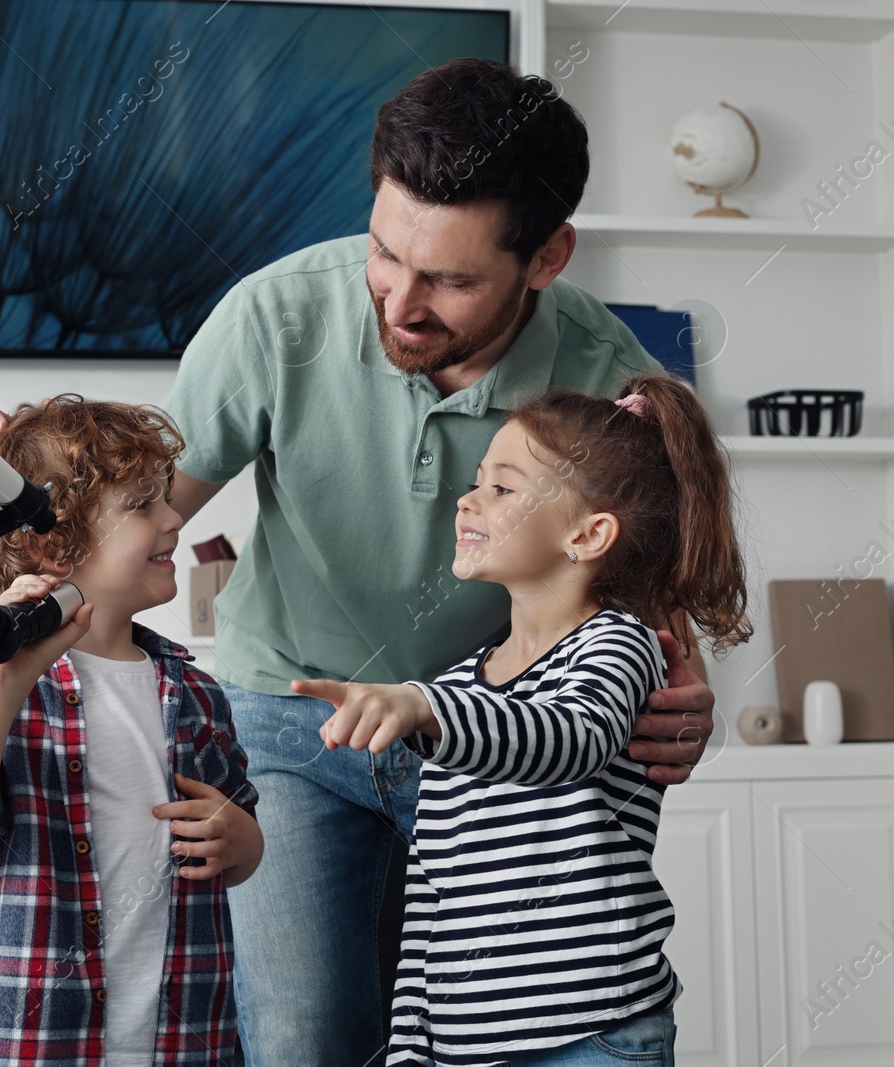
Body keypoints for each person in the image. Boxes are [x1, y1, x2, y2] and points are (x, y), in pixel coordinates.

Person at [0, 58, 719, 1065]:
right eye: (383, 252)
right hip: (286, 718)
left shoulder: (605, 373)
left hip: (487, 739)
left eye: (448, 279)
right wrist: (24, 506)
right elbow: (131, 525)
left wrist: (680, 680)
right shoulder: (275, 316)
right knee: (304, 1033)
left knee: (497, 1028)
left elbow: (649, 601)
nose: (398, 303)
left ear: (546, 257)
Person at [300, 374, 752, 1066]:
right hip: (462, 1046)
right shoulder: (458, 688)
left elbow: (568, 739)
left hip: (596, 1033)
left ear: (587, 533)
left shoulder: (618, 645)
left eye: (502, 487)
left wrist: (424, 705)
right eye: (478, 481)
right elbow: (433, 887)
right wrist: (411, 1045)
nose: (468, 499)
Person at [0, 396, 263, 1067]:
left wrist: (241, 839)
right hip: (35, 1048)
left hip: (189, 1045)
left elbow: (237, 843)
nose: (176, 517)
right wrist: (1, 680)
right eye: (143, 504)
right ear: (51, 543)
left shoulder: (197, 693)